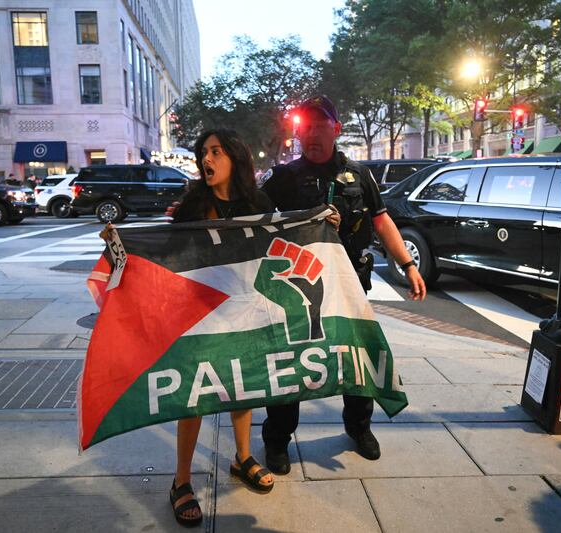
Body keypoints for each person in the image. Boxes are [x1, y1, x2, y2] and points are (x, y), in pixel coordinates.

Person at [258, 95, 427, 474]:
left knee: (357, 360)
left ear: (335, 129)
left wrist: (408, 264)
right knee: (293, 365)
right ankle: (277, 440)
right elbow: (253, 224)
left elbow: (382, 222)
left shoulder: (359, 175)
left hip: (350, 287)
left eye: (321, 126)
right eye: (307, 126)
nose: (313, 134)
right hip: (298, 289)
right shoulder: (283, 178)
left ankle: (360, 428)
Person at [149, 129, 276, 527]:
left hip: (245, 311)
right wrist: (123, 244)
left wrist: (324, 223)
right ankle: (181, 481)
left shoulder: (258, 203)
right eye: (204, 152)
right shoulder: (192, 206)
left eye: (216, 152)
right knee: (195, 394)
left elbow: (286, 240)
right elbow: (168, 254)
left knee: (244, 386)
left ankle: (242, 457)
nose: (207, 158)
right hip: (200, 316)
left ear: (234, 159)